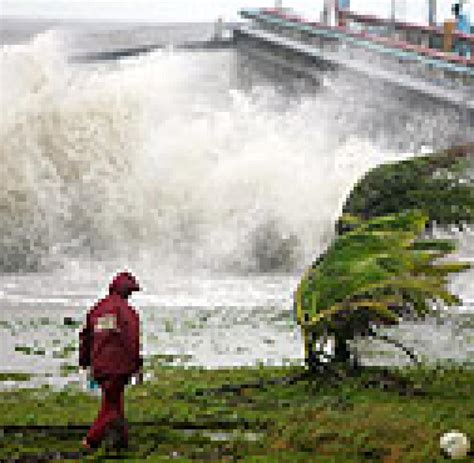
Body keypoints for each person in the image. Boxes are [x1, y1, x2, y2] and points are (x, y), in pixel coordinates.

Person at [79, 271, 142, 451]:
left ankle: (121, 440)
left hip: (99, 364)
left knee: (114, 400)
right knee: (111, 407)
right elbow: (132, 341)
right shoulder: (128, 313)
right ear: (126, 292)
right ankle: (91, 441)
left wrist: (85, 361)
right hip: (119, 366)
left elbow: (86, 337)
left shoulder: (97, 309)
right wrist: (137, 365)